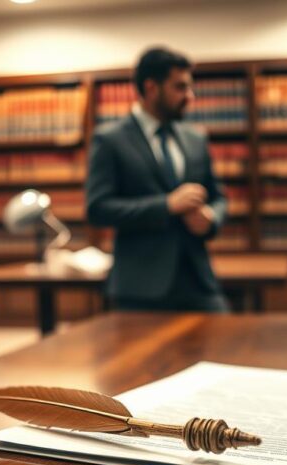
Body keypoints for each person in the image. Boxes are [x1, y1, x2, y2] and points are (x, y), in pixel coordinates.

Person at [86, 47, 229, 312]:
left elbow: (218, 197)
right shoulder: (110, 140)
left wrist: (211, 218)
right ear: (151, 87)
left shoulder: (195, 138)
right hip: (140, 290)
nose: (190, 96)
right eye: (180, 88)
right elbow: (98, 208)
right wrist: (166, 205)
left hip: (199, 283)